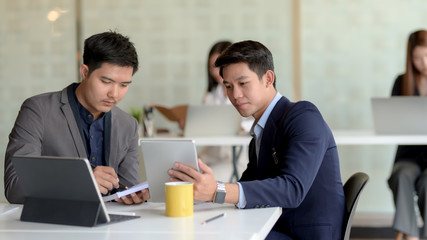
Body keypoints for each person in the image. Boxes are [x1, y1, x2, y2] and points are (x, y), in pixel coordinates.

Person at [168, 40, 345, 239]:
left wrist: (217, 190)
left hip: (304, 234)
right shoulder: (260, 132)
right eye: (228, 86)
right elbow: (247, 186)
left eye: (243, 83)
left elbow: (292, 189)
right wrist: (196, 186)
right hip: (278, 226)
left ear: (268, 78)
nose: (235, 94)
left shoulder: (303, 116)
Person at [4, 31, 149, 205]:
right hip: (55, 226)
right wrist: (81, 182)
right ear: (85, 72)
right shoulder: (38, 110)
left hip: (111, 227)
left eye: (124, 85)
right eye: (106, 82)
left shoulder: (128, 125)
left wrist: (135, 196)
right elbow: (15, 188)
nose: (114, 94)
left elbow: (127, 189)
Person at [388, 29, 427, 240]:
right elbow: (391, 122)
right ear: (410, 58)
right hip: (408, 155)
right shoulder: (401, 82)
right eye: (418, 58)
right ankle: (411, 236)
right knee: (401, 175)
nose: (424, 63)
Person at [199, 41, 234, 181]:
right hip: (211, 154)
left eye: (220, 65)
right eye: (212, 67)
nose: (216, 71)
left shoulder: (243, 94)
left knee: (207, 178)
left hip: (232, 157)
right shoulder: (210, 95)